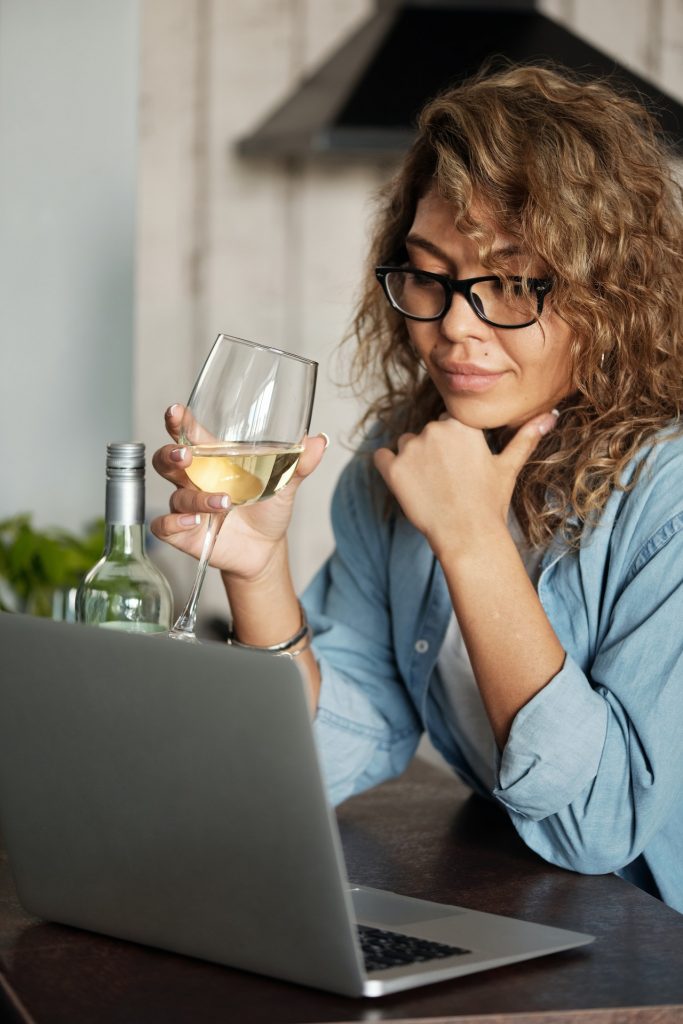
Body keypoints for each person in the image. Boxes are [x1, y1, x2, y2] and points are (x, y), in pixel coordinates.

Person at [152, 64, 683, 913]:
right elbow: (333, 751)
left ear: (610, 295)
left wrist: (473, 542)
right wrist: (257, 573)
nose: (453, 327)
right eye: (428, 275)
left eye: (511, 283)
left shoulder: (670, 497)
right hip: (539, 921)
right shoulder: (399, 459)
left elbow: (600, 824)